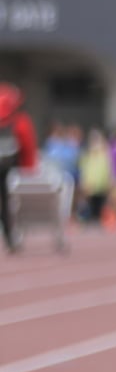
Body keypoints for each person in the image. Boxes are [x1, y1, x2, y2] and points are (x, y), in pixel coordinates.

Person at [0, 84, 40, 253]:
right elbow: (28, 147)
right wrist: (29, 168)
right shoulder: (19, 121)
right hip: (10, 171)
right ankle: (11, 238)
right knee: (7, 203)